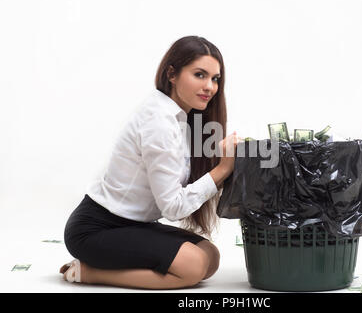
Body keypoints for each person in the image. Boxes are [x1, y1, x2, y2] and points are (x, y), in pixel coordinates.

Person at [59, 36, 243, 289]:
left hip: (135, 226)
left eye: (215, 78)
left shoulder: (181, 119)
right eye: (199, 75)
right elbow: (173, 208)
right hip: (96, 230)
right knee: (192, 267)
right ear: (172, 74)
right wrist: (222, 169)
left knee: (209, 257)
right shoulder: (159, 122)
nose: (210, 87)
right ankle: (88, 273)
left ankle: (120, 265)